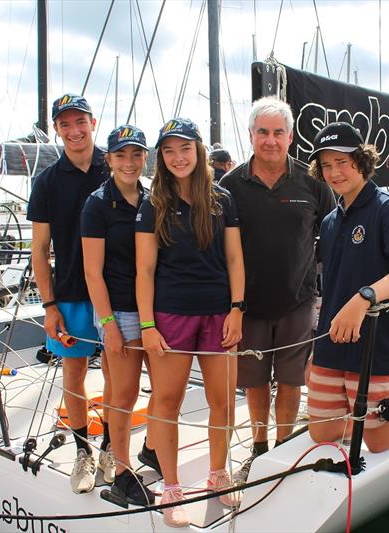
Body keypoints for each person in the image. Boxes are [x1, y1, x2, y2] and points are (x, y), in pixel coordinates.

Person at [219, 97, 335, 482]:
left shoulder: (312, 182)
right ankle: (258, 447)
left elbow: (332, 237)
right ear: (251, 135)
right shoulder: (230, 185)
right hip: (247, 305)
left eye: (278, 132)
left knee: (290, 380)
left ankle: (284, 448)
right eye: (263, 132)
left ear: (289, 137)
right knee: (253, 380)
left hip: (297, 302)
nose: (270, 140)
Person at [135, 117, 245, 527]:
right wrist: (147, 326)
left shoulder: (223, 199)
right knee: (167, 404)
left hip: (218, 313)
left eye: (185, 148)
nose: (178, 157)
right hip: (171, 316)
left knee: (223, 401)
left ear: (199, 151)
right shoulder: (153, 203)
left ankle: (218, 475)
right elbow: (144, 271)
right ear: (161, 158)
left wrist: (237, 307)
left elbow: (234, 258)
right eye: (169, 150)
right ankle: (172, 488)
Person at [304, 122, 389, 452]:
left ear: (361, 160)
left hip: (377, 342)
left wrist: (364, 297)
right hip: (333, 343)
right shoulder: (330, 221)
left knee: (378, 442)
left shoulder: (388, 208)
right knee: (321, 434)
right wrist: (316, 347)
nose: (334, 172)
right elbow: (331, 288)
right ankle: (360, 419)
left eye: (342, 162)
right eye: (326, 165)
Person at [27, 93, 113, 494]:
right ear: (57, 130)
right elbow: (39, 250)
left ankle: (113, 446)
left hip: (117, 294)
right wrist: (48, 305)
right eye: (65, 124)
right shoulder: (46, 182)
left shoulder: (118, 168)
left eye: (80, 122)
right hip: (71, 294)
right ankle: (84, 450)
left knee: (119, 374)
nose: (74, 130)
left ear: (93, 123)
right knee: (73, 373)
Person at [81, 124, 156, 506]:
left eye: (136, 154)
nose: (130, 162)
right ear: (108, 159)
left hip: (155, 309)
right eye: (121, 155)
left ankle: (151, 450)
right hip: (121, 311)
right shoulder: (97, 204)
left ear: (146, 157)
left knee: (163, 388)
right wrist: (107, 323)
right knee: (124, 392)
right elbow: (92, 272)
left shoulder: (153, 198)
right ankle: (124, 473)